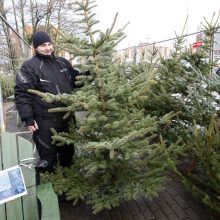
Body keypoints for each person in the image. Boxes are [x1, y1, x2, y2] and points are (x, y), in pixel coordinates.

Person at [14, 31, 79, 172]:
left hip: (67, 117)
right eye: (43, 45)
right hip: (44, 121)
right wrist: (28, 118)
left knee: (68, 152)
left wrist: (88, 75)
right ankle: (50, 184)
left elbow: (75, 81)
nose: (48, 48)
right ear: (35, 48)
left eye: (50, 44)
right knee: (48, 156)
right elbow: (22, 94)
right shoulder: (29, 67)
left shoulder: (63, 62)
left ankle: (68, 182)